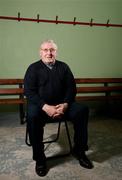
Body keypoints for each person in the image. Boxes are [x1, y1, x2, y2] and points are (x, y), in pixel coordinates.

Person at [24, 39, 93, 177]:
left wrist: (66, 104)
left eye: (52, 50)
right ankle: (40, 159)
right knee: (31, 115)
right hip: (41, 107)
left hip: (62, 105)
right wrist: (45, 107)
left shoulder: (64, 67)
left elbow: (71, 88)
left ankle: (79, 151)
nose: (49, 53)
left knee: (82, 110)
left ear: (56, 52)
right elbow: (29, 92)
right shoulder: (33, 68)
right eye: (45, 50)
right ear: (40, 52)